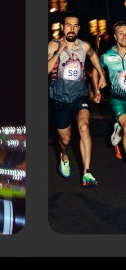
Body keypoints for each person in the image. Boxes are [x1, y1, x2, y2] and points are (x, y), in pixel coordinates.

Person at [48, 12, 106, 187]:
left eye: (75, 26)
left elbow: (93, 55)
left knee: (84, 126)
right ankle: (64, 155)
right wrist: (59, 51)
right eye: (68, 25)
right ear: (63, 27)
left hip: (79, 95)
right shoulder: (52, 45)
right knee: (65, 140)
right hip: (59, 98)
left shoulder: (84, 46)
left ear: (78, 28)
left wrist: (101, 75)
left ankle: (87, 172)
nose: (71, 29)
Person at [92, 21, 126, 160]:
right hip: (117, 100)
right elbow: (95, 70)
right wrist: (97, 89)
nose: (125, 36)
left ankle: (118, 128)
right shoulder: (106, 57)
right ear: (115, 36)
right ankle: (121, 126)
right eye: (121, 33)